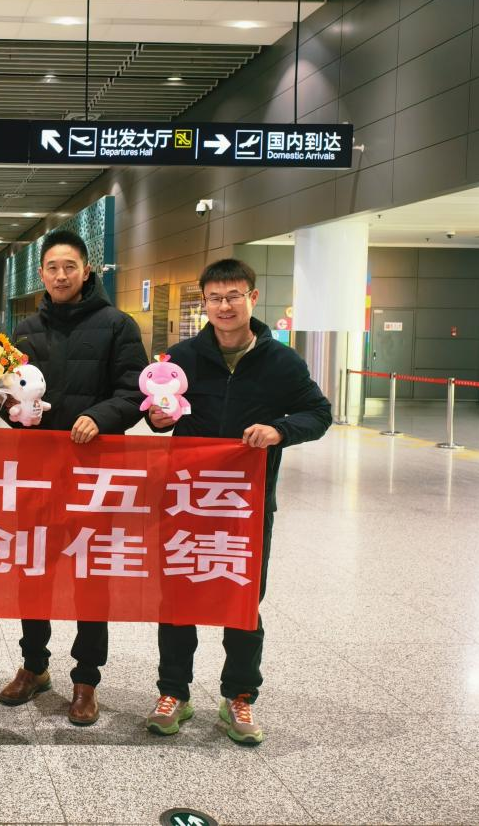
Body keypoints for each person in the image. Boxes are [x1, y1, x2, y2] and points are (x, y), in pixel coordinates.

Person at [144, 257, 331, 745]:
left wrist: (279, 430)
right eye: (215, 298)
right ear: (203, 303)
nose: (224, 306)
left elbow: (318, 413)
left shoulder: (281, 361)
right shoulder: (182, 357)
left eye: (233, 296)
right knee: (178, 597)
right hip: (186, 499)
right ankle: (173, 692)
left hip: (245, 504)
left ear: (252, 298)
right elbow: (160, 413)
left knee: (243, 599)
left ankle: (239, 696)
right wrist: (158, 421)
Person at [0, 230, 148, 727]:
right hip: (37, 475)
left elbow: (135, 392)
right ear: (41, 274)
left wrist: (99, 417)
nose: (60, 275)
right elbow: (5, 394)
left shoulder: (117, 325)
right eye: (52, 267)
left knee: (90, 577)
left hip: (94, 475)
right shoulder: (24, 331)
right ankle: (34, 665)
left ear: (86, 271)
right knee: (34, 572)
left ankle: (86, 680)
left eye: (69, 266)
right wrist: (13, 412)